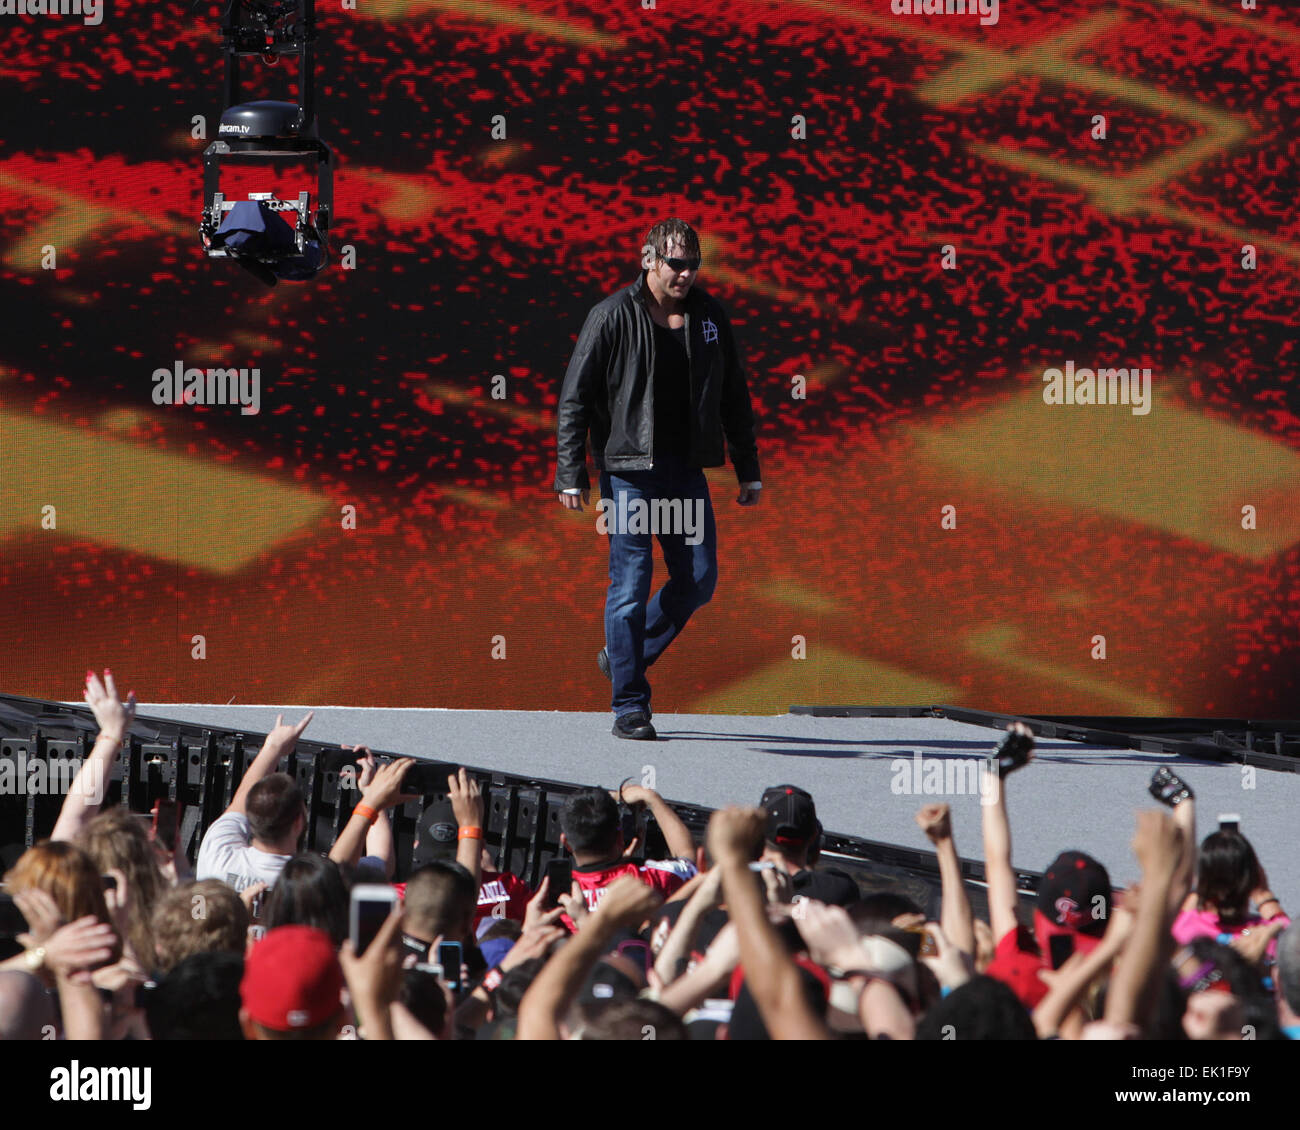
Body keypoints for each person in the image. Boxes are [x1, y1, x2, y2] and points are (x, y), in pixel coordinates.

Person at [553, 218, 762, 740]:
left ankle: (623, 655)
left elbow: (734, 394)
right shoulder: (611, 316)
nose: (685, 274)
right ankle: (629, 704)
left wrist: (749, 468)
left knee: (698, 578)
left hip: (683, 471)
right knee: (630, 583)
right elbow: (574, 398)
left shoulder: (710, 316)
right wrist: (570, 473)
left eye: (693, 265)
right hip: (629, 473)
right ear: (648, 259)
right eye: (676, 264)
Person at [195, 711, 314, 893]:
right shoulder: (310, 886)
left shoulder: (217, 854)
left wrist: (273, 747)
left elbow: (240, 802)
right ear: (298, 823)